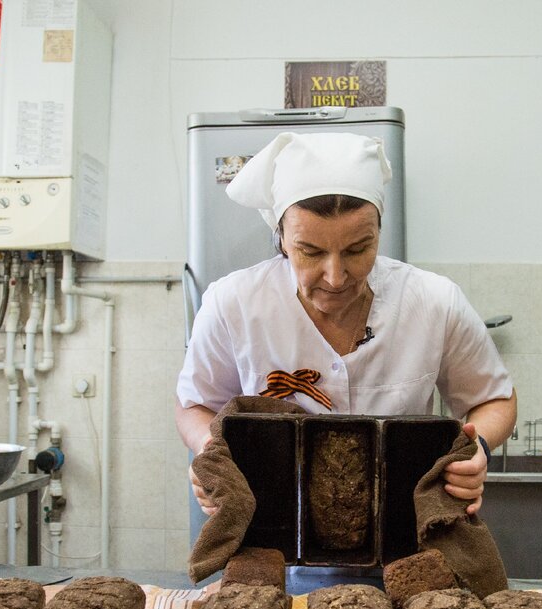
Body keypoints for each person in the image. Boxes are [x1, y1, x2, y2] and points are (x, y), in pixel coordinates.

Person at [176, 131, 516, 522]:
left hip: (407, 534)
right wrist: (208, 450)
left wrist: (478, 450)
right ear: (282, 237)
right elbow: (195, 404)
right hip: (272, 536)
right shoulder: (233, 304)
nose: (335, 277)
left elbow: (493, 398)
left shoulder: (433, 302)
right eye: (311, 251)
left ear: (379, 233)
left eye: (358, 249)